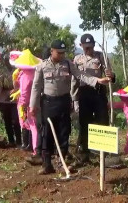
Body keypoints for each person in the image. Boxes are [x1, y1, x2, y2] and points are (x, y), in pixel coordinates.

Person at [30, 39, 110, 175]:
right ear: (51, 51)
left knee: (63, 132)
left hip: (63, 102)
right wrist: (33, 106)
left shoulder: (68, 64)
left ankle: (62, 162)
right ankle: (47, 164)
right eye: (58, 52)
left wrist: (97, 80)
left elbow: (81, 75)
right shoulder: (42, 66)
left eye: (63, 52)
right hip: (48, 103)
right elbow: (36, 87)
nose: (61, 55)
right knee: (47, 134)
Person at [70, 33, 115, 164]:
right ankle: (84, 152)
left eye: (90, 47)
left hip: (99, 92)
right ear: (81, 46)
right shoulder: (77, 59)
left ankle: (104, 152)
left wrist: (110, 75)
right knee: (85, 122)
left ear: (94, 45)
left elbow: (111, 76)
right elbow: (74, 79)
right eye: (86, 47)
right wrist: (74, 97)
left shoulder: (101, 57)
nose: (88, 49)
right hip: (84, 93)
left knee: (102, 120)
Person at [0, 57, 22, 148]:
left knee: (16, 121)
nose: (7, 63)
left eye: (8, 61)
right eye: (6, 61)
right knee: (7, 121)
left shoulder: (17, 71)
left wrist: (16, 90)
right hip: (4, 100)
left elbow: (21, 84)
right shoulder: (2, 73)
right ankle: (11, 140)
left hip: (14, 99)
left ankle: (19, 141)